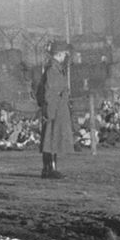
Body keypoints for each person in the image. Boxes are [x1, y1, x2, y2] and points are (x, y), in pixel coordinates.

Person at [33, 41, 74, 179]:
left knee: (50, 140)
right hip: (54, 110)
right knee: (51, 140)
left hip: (55, 109)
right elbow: (50, 93)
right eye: (65, 54)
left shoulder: (53, 69)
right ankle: (50, 169)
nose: (66, 57)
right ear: (60, 54)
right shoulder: (53, 70)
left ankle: (48, 168)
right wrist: (50, 112)